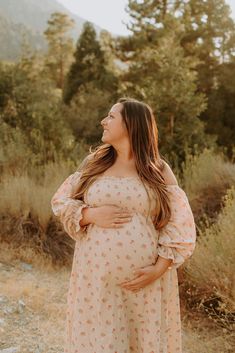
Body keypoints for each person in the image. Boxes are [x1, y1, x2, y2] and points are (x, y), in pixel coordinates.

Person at [51, 97, 197, 353]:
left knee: (141, 344)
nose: (103, 121)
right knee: (102, 342)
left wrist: (158, 270)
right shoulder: (94, 164)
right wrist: (89, 214)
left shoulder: (158, 169)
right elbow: (61, 202)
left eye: (111, 116)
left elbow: (179, 222)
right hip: (96, 279)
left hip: (145, 283)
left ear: (131, 124)